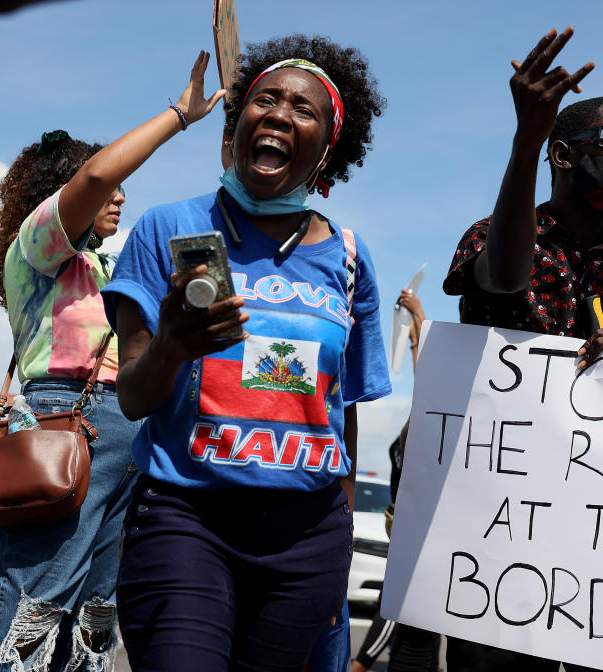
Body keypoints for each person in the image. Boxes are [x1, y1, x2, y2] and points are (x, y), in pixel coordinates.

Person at [102, 33, 389, 672]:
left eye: (304, 109)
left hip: (307, 537)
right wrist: (173, 346)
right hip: (187, 518)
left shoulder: (347, 257)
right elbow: (132, 397)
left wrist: (337, 537)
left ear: (328, 148)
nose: (281, 115)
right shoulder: (170, 229)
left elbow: (345, 415)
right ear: (237, 125)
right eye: (266, 100)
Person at [0, 52, 224, 672]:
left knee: (93, 623)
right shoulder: (38, 247)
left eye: (125, 188)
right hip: (62, 427)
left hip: (127, 433)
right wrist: (180, 116)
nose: (122, 195)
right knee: (29, 610)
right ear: (57, 191)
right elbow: (99, 177)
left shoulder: (108, 266)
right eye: (109, 186)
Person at [442, 27, 603, 671]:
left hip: (598, 544)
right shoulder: (495, 235)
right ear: (564, 156)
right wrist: (525, 138)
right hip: (499, 534)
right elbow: (502, 279)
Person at [352, 290, 441, 672]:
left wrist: (418, 321)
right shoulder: (416, 425)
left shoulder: (429, 427)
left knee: (409, 624)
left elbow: (433, 384)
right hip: (405, 526)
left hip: (418, 533)